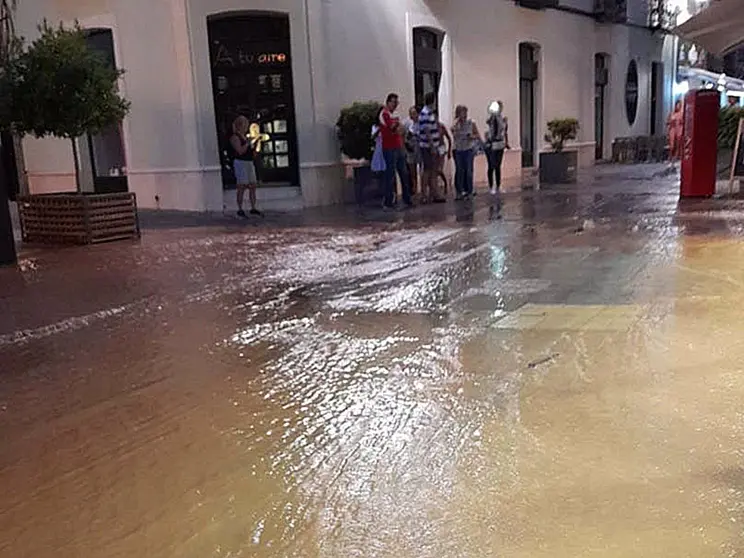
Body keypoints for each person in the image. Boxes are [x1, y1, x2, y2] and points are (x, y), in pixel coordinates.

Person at [230, 115, 261, 217]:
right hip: (240, 162)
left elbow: (252, 153)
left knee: (252, 185)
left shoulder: (246, 137)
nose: (246, 127)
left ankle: (253, 207)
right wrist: (247, 143)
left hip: (249, 162)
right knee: (241, 186)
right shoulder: (235, 137)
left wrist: (256, 145)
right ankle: (240, 208)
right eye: (245, 124)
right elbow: (240, 151)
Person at [418, 92, 446, 203]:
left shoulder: (430, 113)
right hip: (427, 146)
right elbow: (427, 130)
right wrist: (432, 146)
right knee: (428, 170)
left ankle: (435, 193)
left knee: (433, 170)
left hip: (432, 145)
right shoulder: (425, 113)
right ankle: (424, 194)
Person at [451, 105, 482, 200]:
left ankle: (470, 190)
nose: (463, 115)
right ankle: (460, 191)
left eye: (464, 112)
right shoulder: (456, 124)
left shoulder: (471, 123)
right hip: (458, 150)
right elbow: (453, 133)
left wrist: (472, 136)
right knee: (459, 171)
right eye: (461, 112)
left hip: (468, 149)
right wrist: (456, 126)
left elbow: (477, 135)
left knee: (469, 170)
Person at [485, 100, 509, 195]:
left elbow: (504, 131)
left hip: (500, 143)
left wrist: (506, 142)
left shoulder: (502, 118)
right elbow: (490, 124)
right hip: (492, 143)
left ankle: (498, 186)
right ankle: (491, 186)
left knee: (498, 165)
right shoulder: (493, 117)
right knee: (491, 165)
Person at [404, 106, 421, 197]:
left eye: (414, 113)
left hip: (421, 149)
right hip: (411, 149)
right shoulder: (407, 123)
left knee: (423, 170)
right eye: (411, 113)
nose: (412, 115)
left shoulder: (422, 124)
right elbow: (405, 136)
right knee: (412, 171)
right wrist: (407, 145)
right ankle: (414, 189)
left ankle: (423, 189)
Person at [666, 99, 683, 164]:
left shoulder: (681, 114)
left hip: (679, 130)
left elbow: (684, 122)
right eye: (677, 105)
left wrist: (681, 122)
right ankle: (670, 157)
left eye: (679, 105)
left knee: (678, 143)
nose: (678, 107)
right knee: (672, 145)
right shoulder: (672, 113)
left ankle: (677, 156)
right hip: (673, 130)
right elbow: (667, 122)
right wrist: (670, 122)